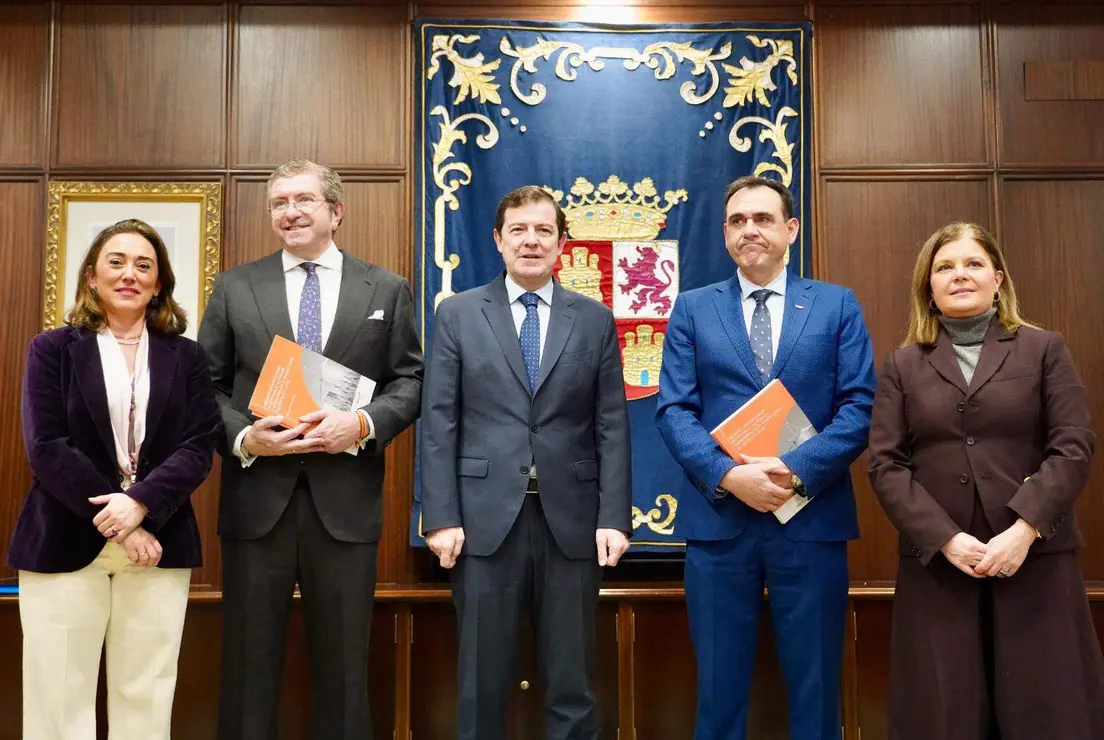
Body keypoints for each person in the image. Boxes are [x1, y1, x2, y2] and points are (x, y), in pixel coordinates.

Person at [197, 159, 423, 740]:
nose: (290, 212)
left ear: (335, 211)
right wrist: (245, 439)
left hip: (345, 505)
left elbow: (411, 382)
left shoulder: (388, 289)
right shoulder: (235, 286)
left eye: (303, 200)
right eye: (279, 203)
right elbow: (205, 387)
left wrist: (364, 424)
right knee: (248, 664)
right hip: (256, 502)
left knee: (346, 667)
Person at [655, 175, 876, 740]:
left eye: (762, 218)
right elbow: (674, 411)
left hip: (811, 519)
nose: (749, 230)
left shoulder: (835, 304)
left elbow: (858, 407)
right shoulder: (692, 308)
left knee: (816, 685)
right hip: (720, 525)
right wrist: (730, 475)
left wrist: (792, 472)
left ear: (790, 229)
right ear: (725, 233)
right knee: (719, 689)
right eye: (737, 221)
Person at [867, 222, 1104, 739]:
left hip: (1034, 556)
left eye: (973, 264)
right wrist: (945, 538)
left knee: (1044, 707)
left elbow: (1073, 444)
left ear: (998, 278)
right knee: (945, 710)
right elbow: (885, 463)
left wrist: (1025, 530)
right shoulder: (903, 364)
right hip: (941, 565)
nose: (960, 275)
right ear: (927, 287)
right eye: (945, 267)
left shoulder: (1044, 349)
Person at [420, 185, 632, 740]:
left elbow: (612, 424)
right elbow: (438, 420)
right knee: (480, 681)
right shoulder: (458, 314)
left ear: (563, 243)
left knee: (572, 681)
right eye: (519, 230)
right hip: (483, 524)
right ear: (498, 239)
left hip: (573, 523)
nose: (531, 241)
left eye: (543, 230)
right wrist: (439, 516)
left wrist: (614, 517)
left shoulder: (594, 319)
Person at [10, 218, 219, 739]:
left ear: (159, 284)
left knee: (146, 693)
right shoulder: (52, 349)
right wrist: (122, 520)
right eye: (117, 262)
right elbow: (46, 446)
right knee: (58, 697)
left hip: (160, 542)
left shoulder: (187, 356)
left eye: (144, 265)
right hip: (64, 538)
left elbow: (198, 446)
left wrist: (142, 504)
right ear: (92, 277)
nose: (130, 274)